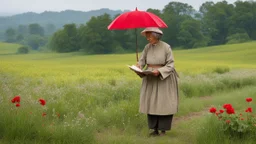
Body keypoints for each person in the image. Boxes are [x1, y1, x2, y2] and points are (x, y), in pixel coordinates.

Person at [136, 27, 179, 136]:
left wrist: (159, 71)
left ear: (156, 36)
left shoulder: (166, 47)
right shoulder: (147, 48)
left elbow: (170, 65)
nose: (147, 39)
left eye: (149, 36)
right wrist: (139, 66)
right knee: (151, 103)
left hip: (164, 79)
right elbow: (142, 61)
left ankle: (163, 130)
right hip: (150, 79)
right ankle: (154, 129)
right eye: (147, 36)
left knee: (163, 104)